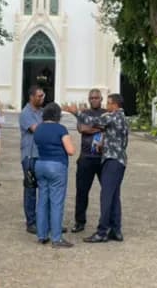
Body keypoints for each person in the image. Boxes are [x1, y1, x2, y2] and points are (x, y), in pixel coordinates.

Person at [84, 93, 129, 243]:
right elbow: (119, 139)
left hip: (112, 160)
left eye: (109, 103)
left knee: (106, 196)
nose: (107, 106)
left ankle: (102, 231)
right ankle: (116, 229)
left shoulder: (114, 116)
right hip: (120, 160)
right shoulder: (123, 118)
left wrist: (75, 112)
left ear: (115, 105)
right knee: (114, 196)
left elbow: (92, 121)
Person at [62, 88, 105, 232]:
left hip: (103, 158)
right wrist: (100, 128)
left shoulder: (106, 113)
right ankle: (80, 222)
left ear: (101, 99)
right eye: (91, 98)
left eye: (96, 98)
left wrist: (92, 126)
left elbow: (101, 127)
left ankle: (106, 221)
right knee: (82, 192)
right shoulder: (84, 113)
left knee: (107, 192)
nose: (94, 100)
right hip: (86, 158)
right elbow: (82, 129)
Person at [34, 102, 75, 248]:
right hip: (56, 165)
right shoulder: (60, 129)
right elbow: (70, 150)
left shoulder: (38, 128)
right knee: (56, 202)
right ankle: (56, 238)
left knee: (42, 200)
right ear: (58, 115)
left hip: (40, 164)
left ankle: (41, 234)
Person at [19, 86, 45, 234]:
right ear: (31, 97)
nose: (42, 98)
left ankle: (45, 221)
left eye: (43, 96)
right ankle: (31, 222)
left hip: (41, 155)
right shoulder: (26, 113)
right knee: (30, 189)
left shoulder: (42, 112)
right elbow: (37, 129)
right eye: (39, 96)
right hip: (29, 156)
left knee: (45, 189)